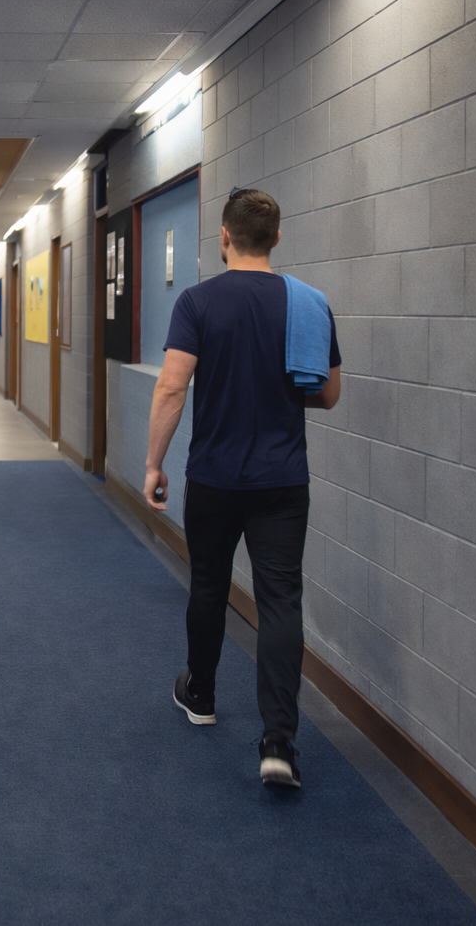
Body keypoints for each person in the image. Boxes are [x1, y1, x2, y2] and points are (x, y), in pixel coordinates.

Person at [144, 188, 340, 789]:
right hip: (283, 480)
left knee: (209, 584)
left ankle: (201, 694)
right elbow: (328, 394)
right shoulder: (309, 303)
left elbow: (172, 387)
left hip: (215, 477)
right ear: (276, 238)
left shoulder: (198, 301)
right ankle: (278, 741)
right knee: (280, 600)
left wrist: (153, 463)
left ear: (224, 237)